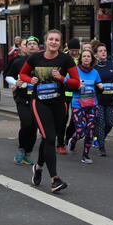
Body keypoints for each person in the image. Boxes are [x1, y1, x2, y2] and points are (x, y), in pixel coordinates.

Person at [20, 29, 80, 193]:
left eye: (57, 40)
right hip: (39, 102)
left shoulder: (65, 59)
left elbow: (76, 82)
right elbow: (22, 74)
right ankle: (55, 179)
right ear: (45, 42)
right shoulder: (35, 58)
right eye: (51, 39)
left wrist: (62, 78)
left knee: (49, 138)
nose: (53, 42)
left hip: (59, 103)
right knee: (49, 138)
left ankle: (38, 166)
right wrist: (29, 79)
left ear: (60, 43)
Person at [5, 36, 40, 165]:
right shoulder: (18, 61)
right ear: (24, 47)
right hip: (22, 98)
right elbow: (7, 76)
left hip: (38, 99)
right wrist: (16, 82)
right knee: (26, 124)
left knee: (34, 127)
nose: (31, 46)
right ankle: (21, 148)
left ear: (38, 47)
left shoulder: (42, 61)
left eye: (34, 44)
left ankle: (28, 153)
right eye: (29, 44)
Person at [66, 49, 103, 164]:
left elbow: (98, 89)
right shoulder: (74, 71)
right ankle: (73, 141)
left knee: (90, 130)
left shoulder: (95, 73)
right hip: (78, 104)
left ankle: (85, 155)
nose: (86, 58)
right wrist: (76, 87)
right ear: (81, 59)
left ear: (92, 59)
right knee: (81, 130)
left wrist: (101, 87)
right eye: (84, 56)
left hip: (92, 105)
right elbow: (66, 86)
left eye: (88, 56)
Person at [94, 43, 113, 156]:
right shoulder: (94, 68)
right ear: (96, 54)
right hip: (98, 101)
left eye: (105, 50)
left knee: (110, 124)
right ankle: (101, 147)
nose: (103, 52)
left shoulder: (112, 65)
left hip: (111, 100)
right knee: (101, 123)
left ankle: (99, 137)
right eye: (100, 51)